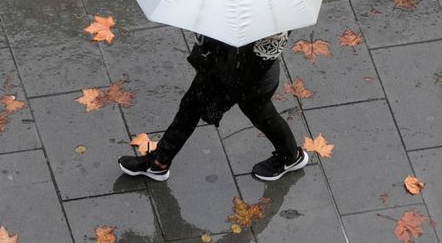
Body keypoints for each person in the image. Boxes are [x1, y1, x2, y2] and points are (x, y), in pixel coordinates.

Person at [119, 31, 308, 182]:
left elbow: (255, 65)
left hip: (250, 80)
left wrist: (220, 100)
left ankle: (291, 156)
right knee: (190, 106)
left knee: (263, 117)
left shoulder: (271, 16)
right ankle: (160, 161)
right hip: (223, 64)